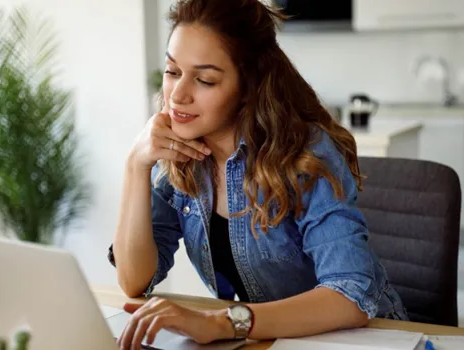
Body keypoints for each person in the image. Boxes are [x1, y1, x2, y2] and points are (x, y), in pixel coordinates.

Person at [108, 0, 408, 348]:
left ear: (248, 85)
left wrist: (224, 322)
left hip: (359, 340)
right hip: (264, 342)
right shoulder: (180, 155)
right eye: (172, 71)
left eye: (204, 79)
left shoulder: (305, 154)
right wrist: (136, 164)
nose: (178, 94)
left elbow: (350, 295)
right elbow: (134, 282)